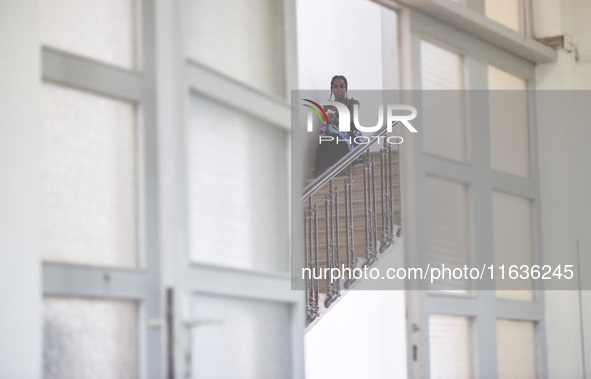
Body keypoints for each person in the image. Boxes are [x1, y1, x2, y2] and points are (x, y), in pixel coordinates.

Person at [314, 75, 363, 177]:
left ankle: (343, 168)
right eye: (335, 86)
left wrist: (336, 120)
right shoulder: (327, 105)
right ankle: (324, 169)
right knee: (326, 134)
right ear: (331, 88)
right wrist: (327, 118)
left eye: (342, 86)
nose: (339, 89)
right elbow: (327, 121)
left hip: (351, 133)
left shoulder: (353, 103)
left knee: (336, 135)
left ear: (346, 88)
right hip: (334, 133)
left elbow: (349, 120)